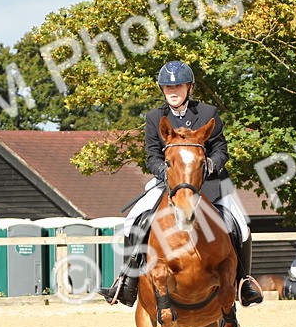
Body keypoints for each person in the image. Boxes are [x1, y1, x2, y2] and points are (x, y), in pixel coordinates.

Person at [99, 60, 263, 308]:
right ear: (162, 90)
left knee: (239, 222)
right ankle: (126, 283)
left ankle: (244, 282)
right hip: (169, 183)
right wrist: (161, 171)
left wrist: (211, 165)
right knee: (133, 219)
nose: (173, 91)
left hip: (209, 183)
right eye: (168, 87)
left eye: (178, 86)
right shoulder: (155, 117)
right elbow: (152, 154)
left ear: (189, 87)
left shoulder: (208, 113)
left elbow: (220, 149)